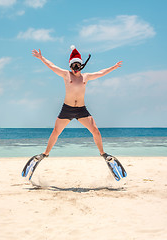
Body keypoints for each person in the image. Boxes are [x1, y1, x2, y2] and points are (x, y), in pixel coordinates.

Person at [22, 46, 127, 181]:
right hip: (67, 109)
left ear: (81, 65)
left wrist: (113, 67)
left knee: (95, 131)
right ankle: (45, 154)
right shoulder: (66, 74)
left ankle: (103, 154)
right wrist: (41, 58)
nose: (75, 68)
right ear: (70, 65)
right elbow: (52, 66)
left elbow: (101, 73)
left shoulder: (86, 77)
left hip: (81, 110)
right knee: (55, 132)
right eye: (73, 65)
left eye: (77, 65)